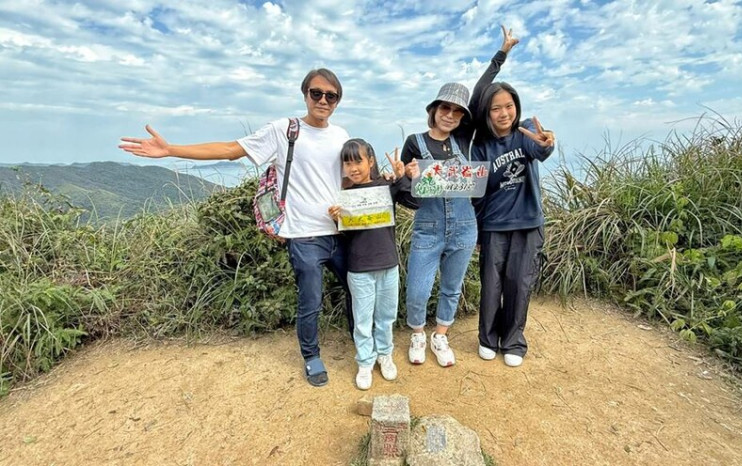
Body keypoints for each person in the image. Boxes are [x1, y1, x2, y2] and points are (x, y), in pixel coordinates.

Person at [118, 69, 353, 387]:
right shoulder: (285, 130)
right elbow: (231, 150)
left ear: (337, 101)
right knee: (310, 300)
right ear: (305, 94)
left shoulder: (341, 135)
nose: (323, 100)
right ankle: (311, 357)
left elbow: (351, 176)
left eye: (331, 96)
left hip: (340, 231)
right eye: (316, 93)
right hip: (303, 234)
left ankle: (362, 343)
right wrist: (172, 150)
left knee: (359, 290)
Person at [401, 26, 518, 367]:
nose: (450, 115)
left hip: (465, 226)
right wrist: (406, 178)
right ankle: (418, 333)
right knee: (418, 287)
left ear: (463, 117)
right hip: (428, 224)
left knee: (452, 286)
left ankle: (441, 336)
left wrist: (502, 53)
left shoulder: (466, 138)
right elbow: (406, 190)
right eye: (445, 109)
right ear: (434, 109)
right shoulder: (415, 142)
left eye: (457, 111)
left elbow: (481, 93)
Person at [471, 81, 556, 367]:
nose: (504, 113)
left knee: (519, 284)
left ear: (516, 106)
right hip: (494, 224)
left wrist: (547, 142)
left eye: (509, 106)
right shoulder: (481, 146)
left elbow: (541, 149)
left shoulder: (526, 130)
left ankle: (513, 342)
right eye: (496, 108)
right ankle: (487, 338)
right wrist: (480, 231)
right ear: (487, 112)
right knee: (491, 285)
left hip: (528, 222)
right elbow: (479, 193)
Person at [328, 141, 416, 390]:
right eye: (347, 162)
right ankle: (365, 361)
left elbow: (413, 201)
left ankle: (384, 355)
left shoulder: (386, 186)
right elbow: (348, 235)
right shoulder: (343, 194)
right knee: (363, 319)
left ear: (371, 161)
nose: (353, 167)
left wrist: (400, 177)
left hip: (388, 264)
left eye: (358, 161)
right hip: (358, 267)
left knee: (386, 317)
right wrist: (338, 221)